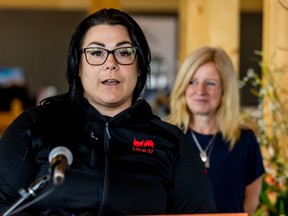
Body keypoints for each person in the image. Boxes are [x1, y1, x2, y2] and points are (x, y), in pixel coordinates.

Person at [0, 9, 216, 215]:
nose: (110, 64)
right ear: (78, 66)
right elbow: (3, 202)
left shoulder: (172, 142)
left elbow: (199, 215)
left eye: (123, 52)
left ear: (139, 66)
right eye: (96, 52)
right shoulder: (35, 125)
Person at [165, 46, 265, 216]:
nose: (200, 91)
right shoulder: (165, 137)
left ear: (225, 90)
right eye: (192, 82)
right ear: (182, 86)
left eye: (210, 83)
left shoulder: (245, 140)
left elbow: (251, 203)